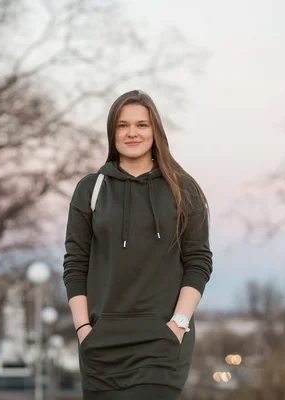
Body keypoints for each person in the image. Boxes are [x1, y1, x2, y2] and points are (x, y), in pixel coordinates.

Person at [62, 90, 213, 399]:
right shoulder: (91, 189)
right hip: (102, 344)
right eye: (122, 125)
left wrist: (178, 325)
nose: (132, 132)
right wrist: (83, 331)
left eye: (142, 125)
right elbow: (75, 264)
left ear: (155, 131)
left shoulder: (183, 189)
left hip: (162, 342)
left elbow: (198, 261)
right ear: (112, 132)